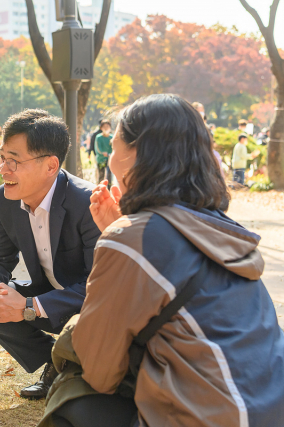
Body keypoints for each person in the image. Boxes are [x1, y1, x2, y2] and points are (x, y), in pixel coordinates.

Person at [45, 94, 284, 427]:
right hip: (267, 408)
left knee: (77, 396)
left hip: (210, 417)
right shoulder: (221, 227)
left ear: (138, 157)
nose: (110, 160)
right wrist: (119, 233)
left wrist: (117, 238)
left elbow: (100, 371)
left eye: (114, 148)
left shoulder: (133, 239)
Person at [0, 109, 101, 400]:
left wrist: (30, 305)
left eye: (14, 160)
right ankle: (58, 363)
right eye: (2, 157)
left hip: (91, 307)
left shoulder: (89, 203)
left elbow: (100, 285)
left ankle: (76, 365)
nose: (3, 168)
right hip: (49, 294)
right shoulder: (4, 198)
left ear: (51, 165)